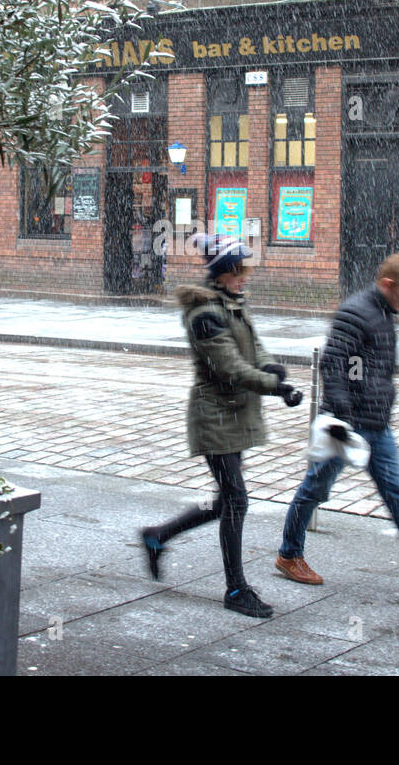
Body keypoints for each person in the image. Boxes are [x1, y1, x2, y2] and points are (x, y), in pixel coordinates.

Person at [275, 252, 399, 590]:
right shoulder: (356, 313)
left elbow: (371, 369)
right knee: (314, 490)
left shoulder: (384, 312)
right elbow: (334, 364)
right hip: (347, 425)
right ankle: (288, 555)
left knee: (397, 494)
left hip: (376, 424)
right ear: (387, 284)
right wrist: (342, 415)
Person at [139, 233, 304, 618]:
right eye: (239, 271)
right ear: (222, 273)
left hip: (234, 415)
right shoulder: (205, 315)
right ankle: (235, 589)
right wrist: (275, 387)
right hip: (214, 416)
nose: (244, 277)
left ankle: (157, 536)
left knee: (226, 499)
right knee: (236, 499)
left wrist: (270, 367)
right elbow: (228, 368)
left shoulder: (230, 303)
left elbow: (255, 345)